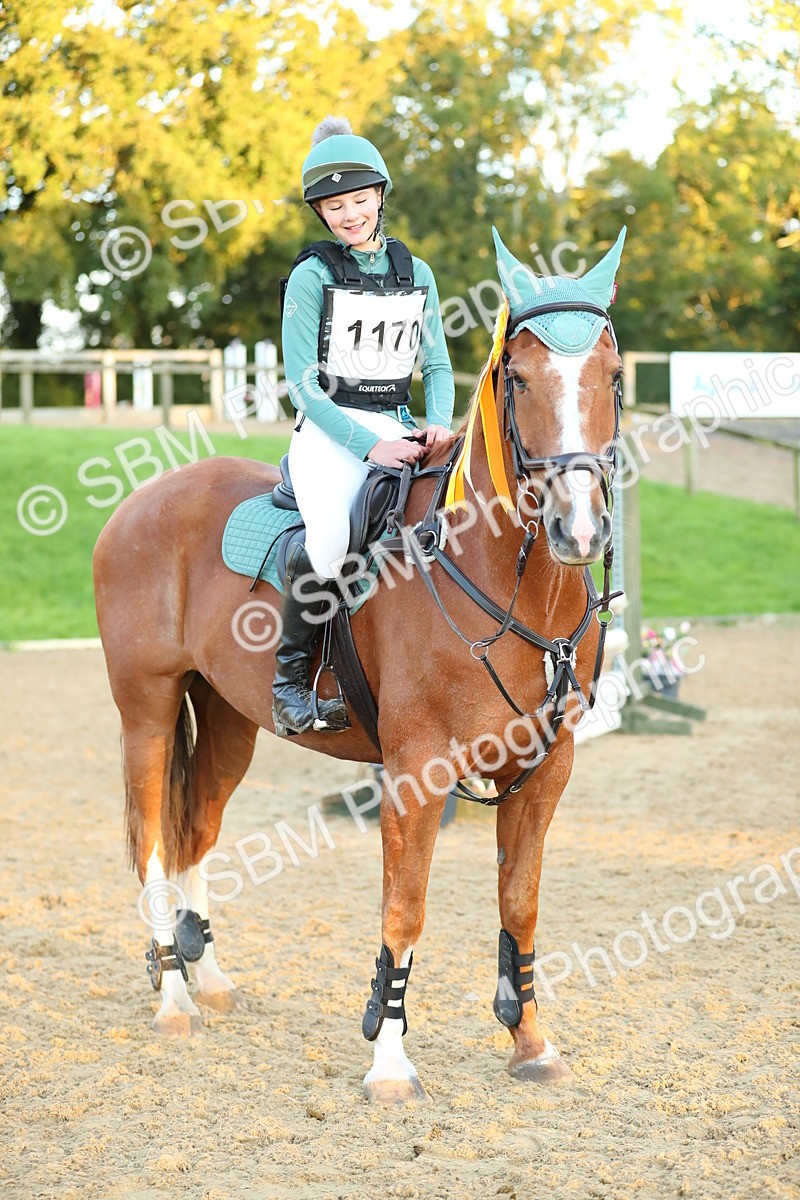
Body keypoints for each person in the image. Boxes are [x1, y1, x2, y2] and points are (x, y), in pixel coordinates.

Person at [272, 115, 455, 738]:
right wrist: (371, 446)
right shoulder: (312, 275)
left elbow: (436, 363)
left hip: (401, 425)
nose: (349, 215)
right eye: (334, 207)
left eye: (358, 200)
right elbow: (303, 385)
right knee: (329, 544)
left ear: (380, 195)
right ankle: (290, 681)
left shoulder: (417, 272)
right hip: (330, 433)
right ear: (320, 212)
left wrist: (438, 424)